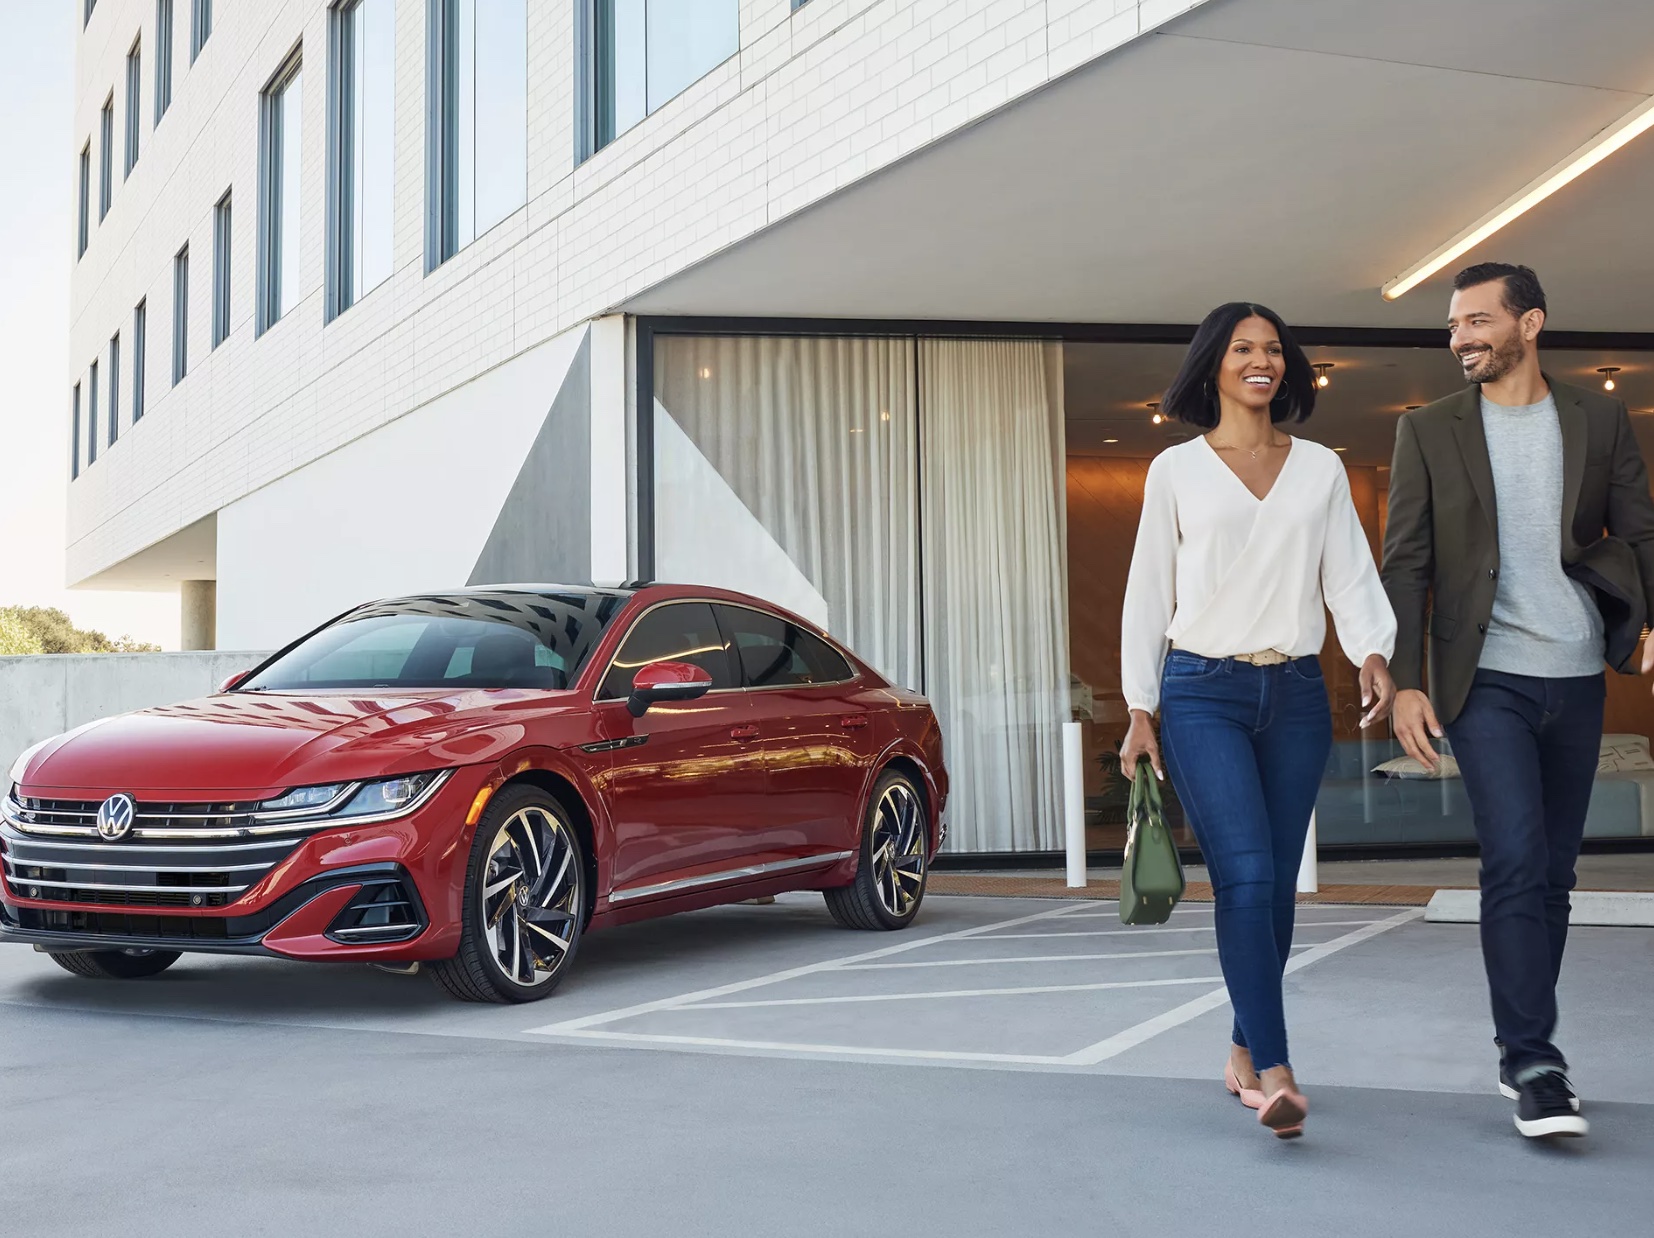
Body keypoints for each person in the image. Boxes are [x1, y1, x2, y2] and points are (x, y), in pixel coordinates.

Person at [1382, 262, 1654, 1140]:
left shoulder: (1598, 417)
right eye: (1454, 325)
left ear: (1529, 323)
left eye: (1476, 321)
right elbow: (1407, 560)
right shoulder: (1427, 430)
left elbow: (1639, 531)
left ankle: (1523, 1044)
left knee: (1555, 876)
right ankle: (1534, 1059)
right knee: (1514, 860)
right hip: (1483, 677)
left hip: (1576, 673)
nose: (1460, 337)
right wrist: (1406, 678)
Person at [1120, 302, 1397, 1140]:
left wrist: (1374, 653)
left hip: (1298, 696)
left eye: (1273, 350)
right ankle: (1275, 1069)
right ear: (1213, 365)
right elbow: (1147, 592)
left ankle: (1243, 1049)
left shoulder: (1319, 469)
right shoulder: (1176, 470)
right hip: (1203, 692)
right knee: (1243, 874)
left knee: (1274, 887)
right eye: (1243, 348)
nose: (1261, 361)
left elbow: (1348, 575)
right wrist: (1141, 709)